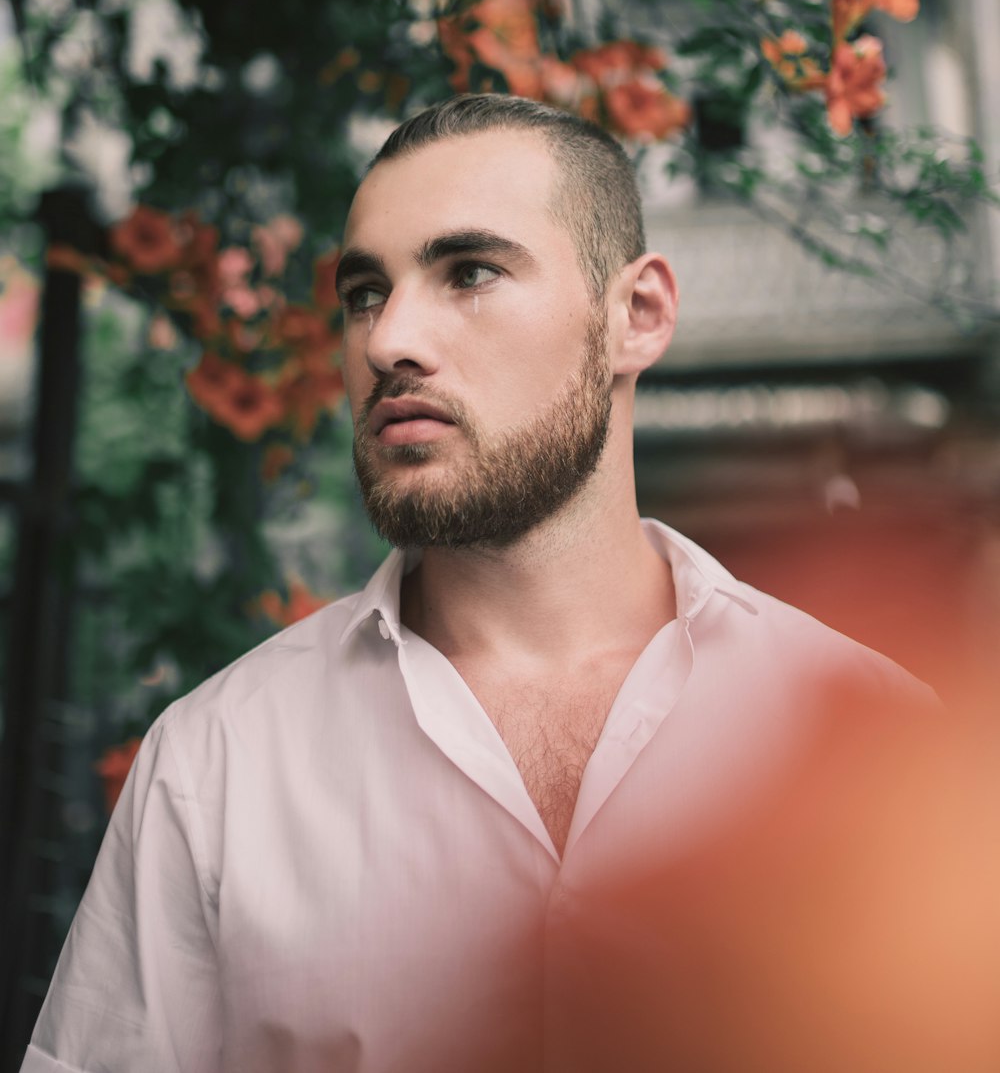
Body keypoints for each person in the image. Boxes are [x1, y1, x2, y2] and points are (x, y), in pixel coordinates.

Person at [21, 95, 935, 1073]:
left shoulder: (878, 742)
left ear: (637, 315)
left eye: (470, 272)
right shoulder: (215, 764)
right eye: (365, 292)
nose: (386, 341)